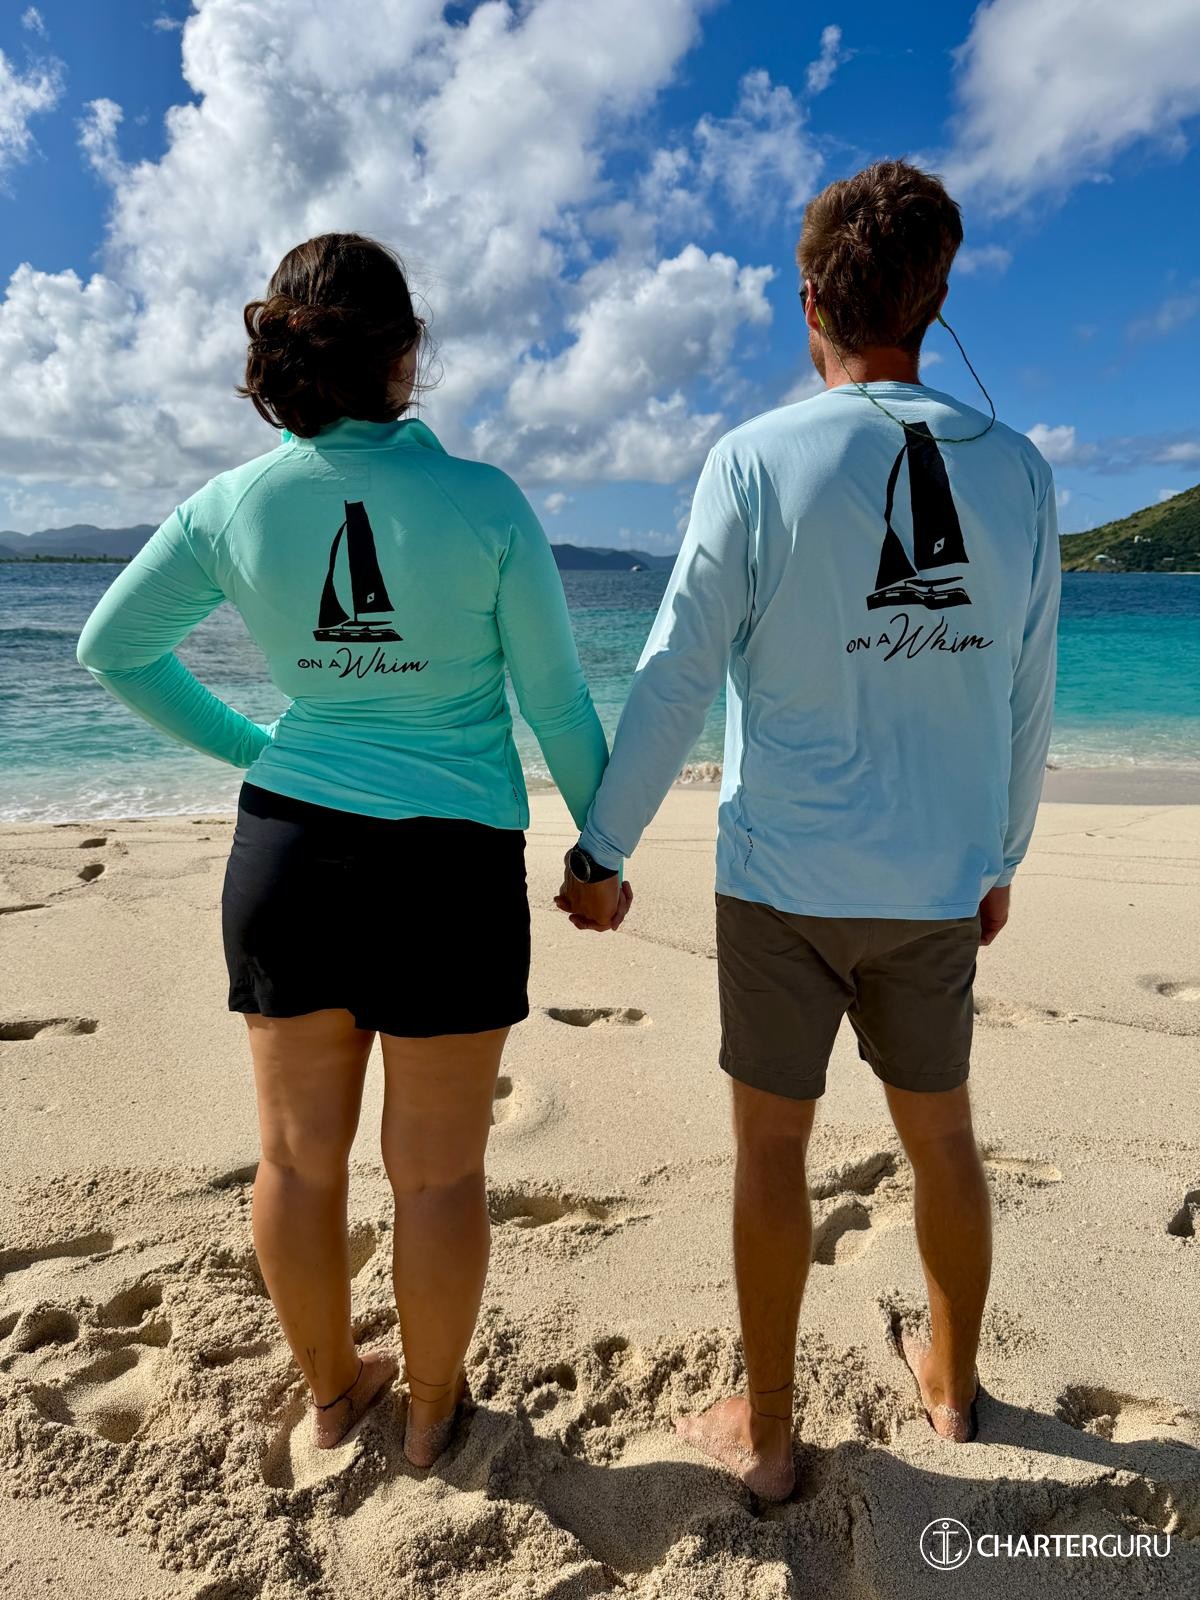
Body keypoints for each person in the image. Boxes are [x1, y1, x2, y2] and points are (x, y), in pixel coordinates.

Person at [557, 161, 1060, 1498]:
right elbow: (1028, 692)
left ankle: (770, 1434)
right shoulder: (1018, 471)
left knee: (771, 1149)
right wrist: (1001, 858)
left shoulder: (754, 459)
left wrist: (603, 851)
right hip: (936, 881)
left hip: (780, 882)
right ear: (935, 302)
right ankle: (952, 1388)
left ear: (808, 303)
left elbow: (676, 669)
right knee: (941, 1138)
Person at [77, 233, 621, 1466]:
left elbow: (113, 649)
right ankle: (429, 1416)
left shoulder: (234, 504)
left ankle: (332, 1396)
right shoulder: (485, 501)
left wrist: (261, 745)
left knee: (294, 1159)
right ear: (407, 352)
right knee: (437, 1177)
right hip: (450, 867)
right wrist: (601, 855)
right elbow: (557, 706)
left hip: (289, 855)